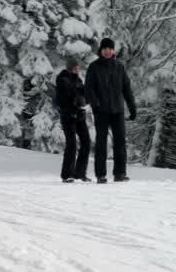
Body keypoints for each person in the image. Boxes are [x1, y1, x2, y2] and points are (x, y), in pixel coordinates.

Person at [84, 38, 137, 184]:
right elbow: (88, 89)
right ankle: (101, 175)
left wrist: (132, 107)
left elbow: (127, 89)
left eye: (110, 49)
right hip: (101, 111)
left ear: (113, 51)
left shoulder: (119, 67)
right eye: (105, 49)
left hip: (118, 110)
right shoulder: (94, 67)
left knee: (120, 142)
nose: (108, 51)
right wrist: (96, 105)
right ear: (101, 50)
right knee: (101, 143)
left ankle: (120, 173)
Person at [55, 58, 91, 183]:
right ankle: (67, 175)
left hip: (80, 115)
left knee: (86, 142)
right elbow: (60, 100)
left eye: (78, 67)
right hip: (68, 116)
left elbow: (85, 95)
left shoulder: (79, 80)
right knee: (72, 144)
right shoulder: (62, 79)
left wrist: (86, 98)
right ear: (70, 68)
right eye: (75, 67)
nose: (77, 69)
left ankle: (80, 172)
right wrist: (72, 110)